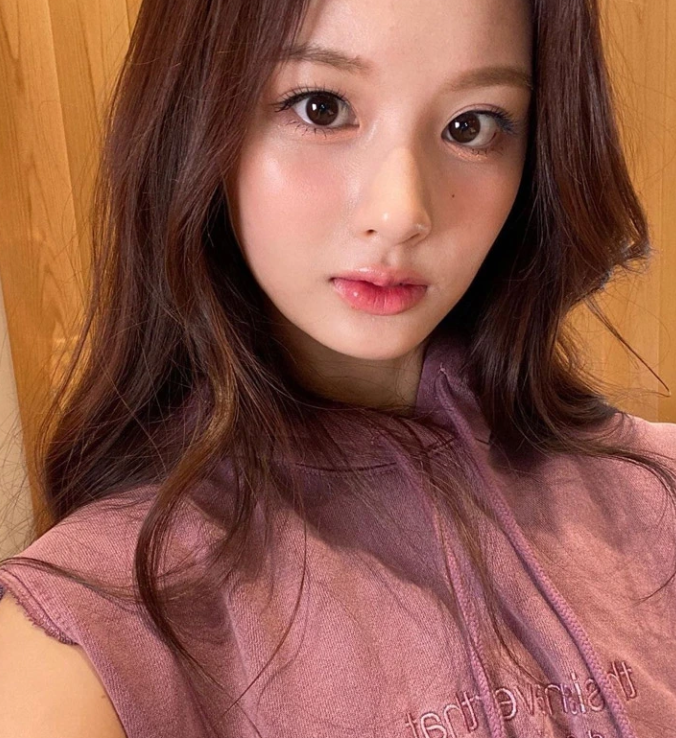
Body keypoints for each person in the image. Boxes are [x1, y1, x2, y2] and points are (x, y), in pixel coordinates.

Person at [0, 0, 674, 736]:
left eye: (472, 126)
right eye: (320, 108)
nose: (402, 211)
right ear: (195, 122)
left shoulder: (655, 496)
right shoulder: (85, 640)